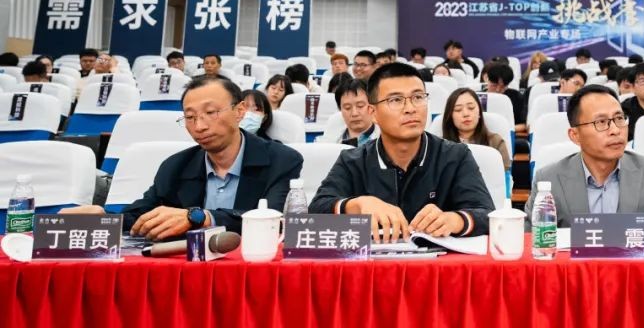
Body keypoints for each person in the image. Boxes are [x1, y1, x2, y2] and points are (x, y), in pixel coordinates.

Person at [61, 75, 303, 236]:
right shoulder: (176, 166)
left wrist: (199, 218)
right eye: (189, 117)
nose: (200, 126)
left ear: (239, 111)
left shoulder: (282, 161)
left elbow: (273, 219)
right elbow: (143, 214)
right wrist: (105, 219)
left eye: (211, 112)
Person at [309, 63, 495, 241]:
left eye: (418, 97)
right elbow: (315, 211)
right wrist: (357, 205)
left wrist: (455, 220)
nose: (410, 109)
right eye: (396, 100)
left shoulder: (455, 156)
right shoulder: (353, 160)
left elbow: (487, 214)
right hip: (374, 262)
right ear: (373, 113)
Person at [524, 85, 644, 228]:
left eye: (619, 118)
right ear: (575, 135)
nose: (615, 130)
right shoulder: (549, 179)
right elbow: (531, 239)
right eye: (601, 122)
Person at [442, 88, 511, 170]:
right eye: (458, 110)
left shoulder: (495, 141)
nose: (466, 114)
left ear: (479, 112)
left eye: (471, 108)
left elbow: (505, 175)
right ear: (450, 116)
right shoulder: (441, 146)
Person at [336, 77, 377, 146]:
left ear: (372, 106)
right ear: (340, 109)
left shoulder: (386, 139)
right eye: (347, 108)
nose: (354, 113)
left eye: (360, 106)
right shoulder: (331, 140)